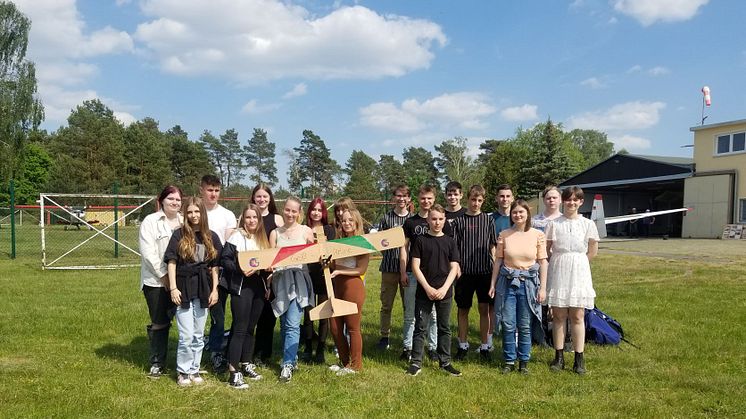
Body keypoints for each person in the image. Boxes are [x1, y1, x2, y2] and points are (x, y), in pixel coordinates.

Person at [164, 196, 222, 386]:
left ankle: (194, 369)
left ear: (202, 213)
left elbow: (214, 266)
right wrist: (173, 288)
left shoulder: (211, 236)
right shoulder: (179, 235)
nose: (193, 215)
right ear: (185, 214)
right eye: (189, 212)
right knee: (186, 335)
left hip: (204, 288)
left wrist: (215, 290)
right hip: (184, 287)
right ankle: (183, 370)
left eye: (197, 211)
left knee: (198, 334)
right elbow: (171, 262)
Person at [489, 199, 547, 375]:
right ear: (511, 215)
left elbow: (543, 262)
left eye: (521, 212)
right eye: (515, 212)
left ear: (527, 214)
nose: (518, 215)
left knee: (524, 324)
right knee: (508, 323)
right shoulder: (504, 235)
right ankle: (509, 360)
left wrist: (542, 288)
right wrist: (492, 284)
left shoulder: (537, 234)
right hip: (507, 283)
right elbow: (498, 260)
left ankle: (524, 361)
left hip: (528, 284)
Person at [545, 186, 599, 375]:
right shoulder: (554, 223)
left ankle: (579, 357)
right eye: (568, 199)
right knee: (558, 315)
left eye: (575, 200)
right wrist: (557, 263)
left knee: (577, 316)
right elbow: (547, 248)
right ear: (563, 201)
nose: (571, 203)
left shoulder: (587, 224)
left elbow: (592, 250)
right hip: (559, 268)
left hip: (579, 270)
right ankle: (558, 356)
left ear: (581, 202)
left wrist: (579, 262)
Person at [407, 204, 461, 377]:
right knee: (420, 327)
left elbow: (454, 267)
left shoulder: (450, 241)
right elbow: (415, 266)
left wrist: (445, 288)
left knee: (444, 327)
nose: (437, 222)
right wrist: (428, 288)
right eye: (433, 219)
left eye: (440, 219)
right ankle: (416, 362)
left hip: (445, 292)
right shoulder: (421, 241)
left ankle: (445, 362)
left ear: (444, 220)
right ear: (428, 220)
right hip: (424, 291)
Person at [220, 203, 271, 389]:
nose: (251, 220)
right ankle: (233, 372)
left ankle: (245, 363)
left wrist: (267, 278)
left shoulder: (262, 239)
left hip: (258, 287)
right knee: (240, 329)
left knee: (251, 328)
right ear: (243, 218)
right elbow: (224, 260)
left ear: (259, 220)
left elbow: (266, 263)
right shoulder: (236, 236)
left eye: (255, 217)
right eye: (248, 217)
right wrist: (240, 269)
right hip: (241, 286)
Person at [399, 185, 448, 361]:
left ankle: (433, 347)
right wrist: (403, 271)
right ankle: (407, 347)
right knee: (410, 313)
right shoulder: (410, 222)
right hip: (413, 274)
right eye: (423, 198)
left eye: (429, 198)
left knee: (433, 315)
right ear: (417, 200)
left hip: (433, 276)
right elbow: (404, 248)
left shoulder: (440, 220)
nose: (426, 201)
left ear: (434, 199)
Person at [269, 196, 315, 382]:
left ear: (299, 212)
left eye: (294, 211)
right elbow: (270, 260)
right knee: (284, 321)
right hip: (280, 281)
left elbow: (314, 254)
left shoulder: (306, 231)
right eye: (287, 210)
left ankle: (287, 364)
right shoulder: (275, 233)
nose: (290, 214)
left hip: (299, 282)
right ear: (283, 209)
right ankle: (292, 357)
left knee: (293, 323)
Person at [139, 185, 182, 379]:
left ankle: (186, 364)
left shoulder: (184, 221)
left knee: (185, 321)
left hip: (181, 280)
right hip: (155, 281)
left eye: (178, 199)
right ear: (162, 200)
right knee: (160, 322)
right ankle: (157, 362)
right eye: (171, 198)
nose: (175, 202)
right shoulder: (150, 221)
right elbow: (148, 253)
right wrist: (164, 276)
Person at [452, 185, 497, 362]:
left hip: (485, 271)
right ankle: (462, 345)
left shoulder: (488, 220)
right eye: (473, 199)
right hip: (465, 273)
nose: (476, 203)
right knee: (463, 309)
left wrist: (494, 268)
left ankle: (485, 345)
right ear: (467, 199)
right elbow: (454, 248)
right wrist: (456, 268)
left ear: (483, 201)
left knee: (484, 309)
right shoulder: (459, 221)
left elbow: (493, 246)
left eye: (479, 200)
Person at [200, 174, 237, 373]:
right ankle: (193, 352)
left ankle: (216, 352)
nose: (213, 194)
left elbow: (228, 245)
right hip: (197, 271)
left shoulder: (227, 215)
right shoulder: (195, 212)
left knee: (218, 314)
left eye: (216, 190)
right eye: (209, 190)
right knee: (196, 313)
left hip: (218, 272)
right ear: (201, 190)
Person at [328, 207, 370, 376]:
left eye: (350, 220)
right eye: (344, 220)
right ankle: (345, 362)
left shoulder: (362, 242)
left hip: (353, 286)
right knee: (335, 327)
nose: (346, 223)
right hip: (336, 285)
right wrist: (328, 264)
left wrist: (340, 270)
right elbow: (332, 265)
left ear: (356, 223)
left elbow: (361, 269)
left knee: (353, 327)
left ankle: (355, 365)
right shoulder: (337, 242)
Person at [375, 184, 412, 351]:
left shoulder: (413, 219)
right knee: (386, 306)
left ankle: (408, 337)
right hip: (389, 269)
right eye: (398, 196)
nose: (401, 199)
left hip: (409, 270)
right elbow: (380, 243)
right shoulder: (386, 219)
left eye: (404, 196)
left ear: (409, 199)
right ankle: (384, 336)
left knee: (408, 306)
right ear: (394, 198)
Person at [251, 183, 283, 367]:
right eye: (258, 196)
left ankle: (265, 354)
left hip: (271, 273)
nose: (262, 200)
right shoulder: (248, 217)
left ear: (270, 198)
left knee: (268, 316)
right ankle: (250, 353)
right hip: (253, 273)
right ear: (253, 198)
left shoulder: (277, 219)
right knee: (252, 315)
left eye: (265, 196)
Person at [301, 197, 335, 364]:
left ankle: (320, 348)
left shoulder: (329, 229)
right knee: (308, 314)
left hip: (323, 276)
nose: (316, 212)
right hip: (307, 275)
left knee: (323, 313)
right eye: (313, 209)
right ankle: (308, 347)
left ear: (323, 212)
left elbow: (332, 253)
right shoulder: (303, 229)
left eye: (319, 209)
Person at [530, 185, 563, 346]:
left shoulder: (564, 220)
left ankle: (559, 335)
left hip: (559, 265)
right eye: (548, 198)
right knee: (540, 299)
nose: (551, 200)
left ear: (560, 199)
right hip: (539, 265)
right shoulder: (535, 221)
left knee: (557, 299)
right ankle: (540, 334)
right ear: (544, 200)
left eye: (554, 197)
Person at [491, 184, 515, 339]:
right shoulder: (491, 219)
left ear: (512, 198)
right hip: (496, 267)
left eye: (507, 196)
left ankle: (513, 332)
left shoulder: (518, 216)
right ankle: (492, 334)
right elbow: (490, 245)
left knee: (512, 302)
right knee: (493, 303)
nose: (504, 199)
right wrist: (496, 264)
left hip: (516, 268)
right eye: (502, 196)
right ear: (497, 199)